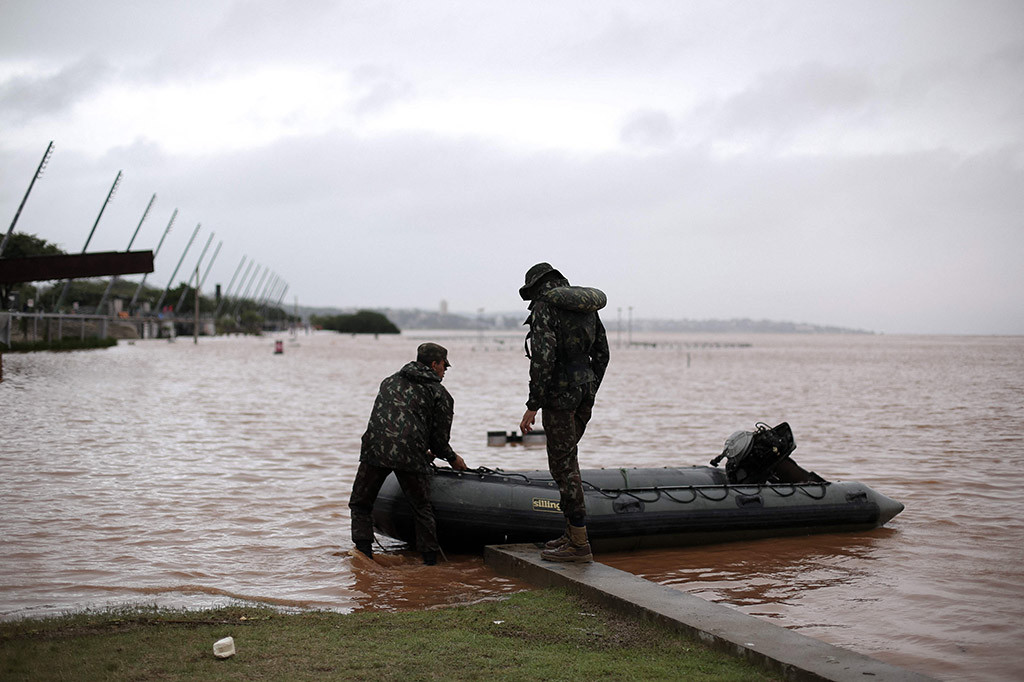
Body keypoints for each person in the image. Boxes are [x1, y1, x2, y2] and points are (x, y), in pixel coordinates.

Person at [518, 263, 609, 562]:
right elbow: (603, 353)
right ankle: (572, 533)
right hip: (584, 391)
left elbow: (542, 360)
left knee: (563, 466)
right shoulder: (586, 307)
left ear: (536, 287)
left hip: (559, 396)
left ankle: (579, 543)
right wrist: (590, 386)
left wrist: (533, 404)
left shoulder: (546, 307)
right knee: (568, 460)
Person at [349, 342, 468, 565]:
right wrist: (453, 458)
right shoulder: (440, 394)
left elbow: (387, 419)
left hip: (374, 449)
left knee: (360, 503)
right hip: (410, 455)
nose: (445, 371)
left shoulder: (389, 381)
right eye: (444, 366)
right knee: (421, 508)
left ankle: (363, 556)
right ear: (435, 364)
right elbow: (440, 441)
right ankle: (429, 562)